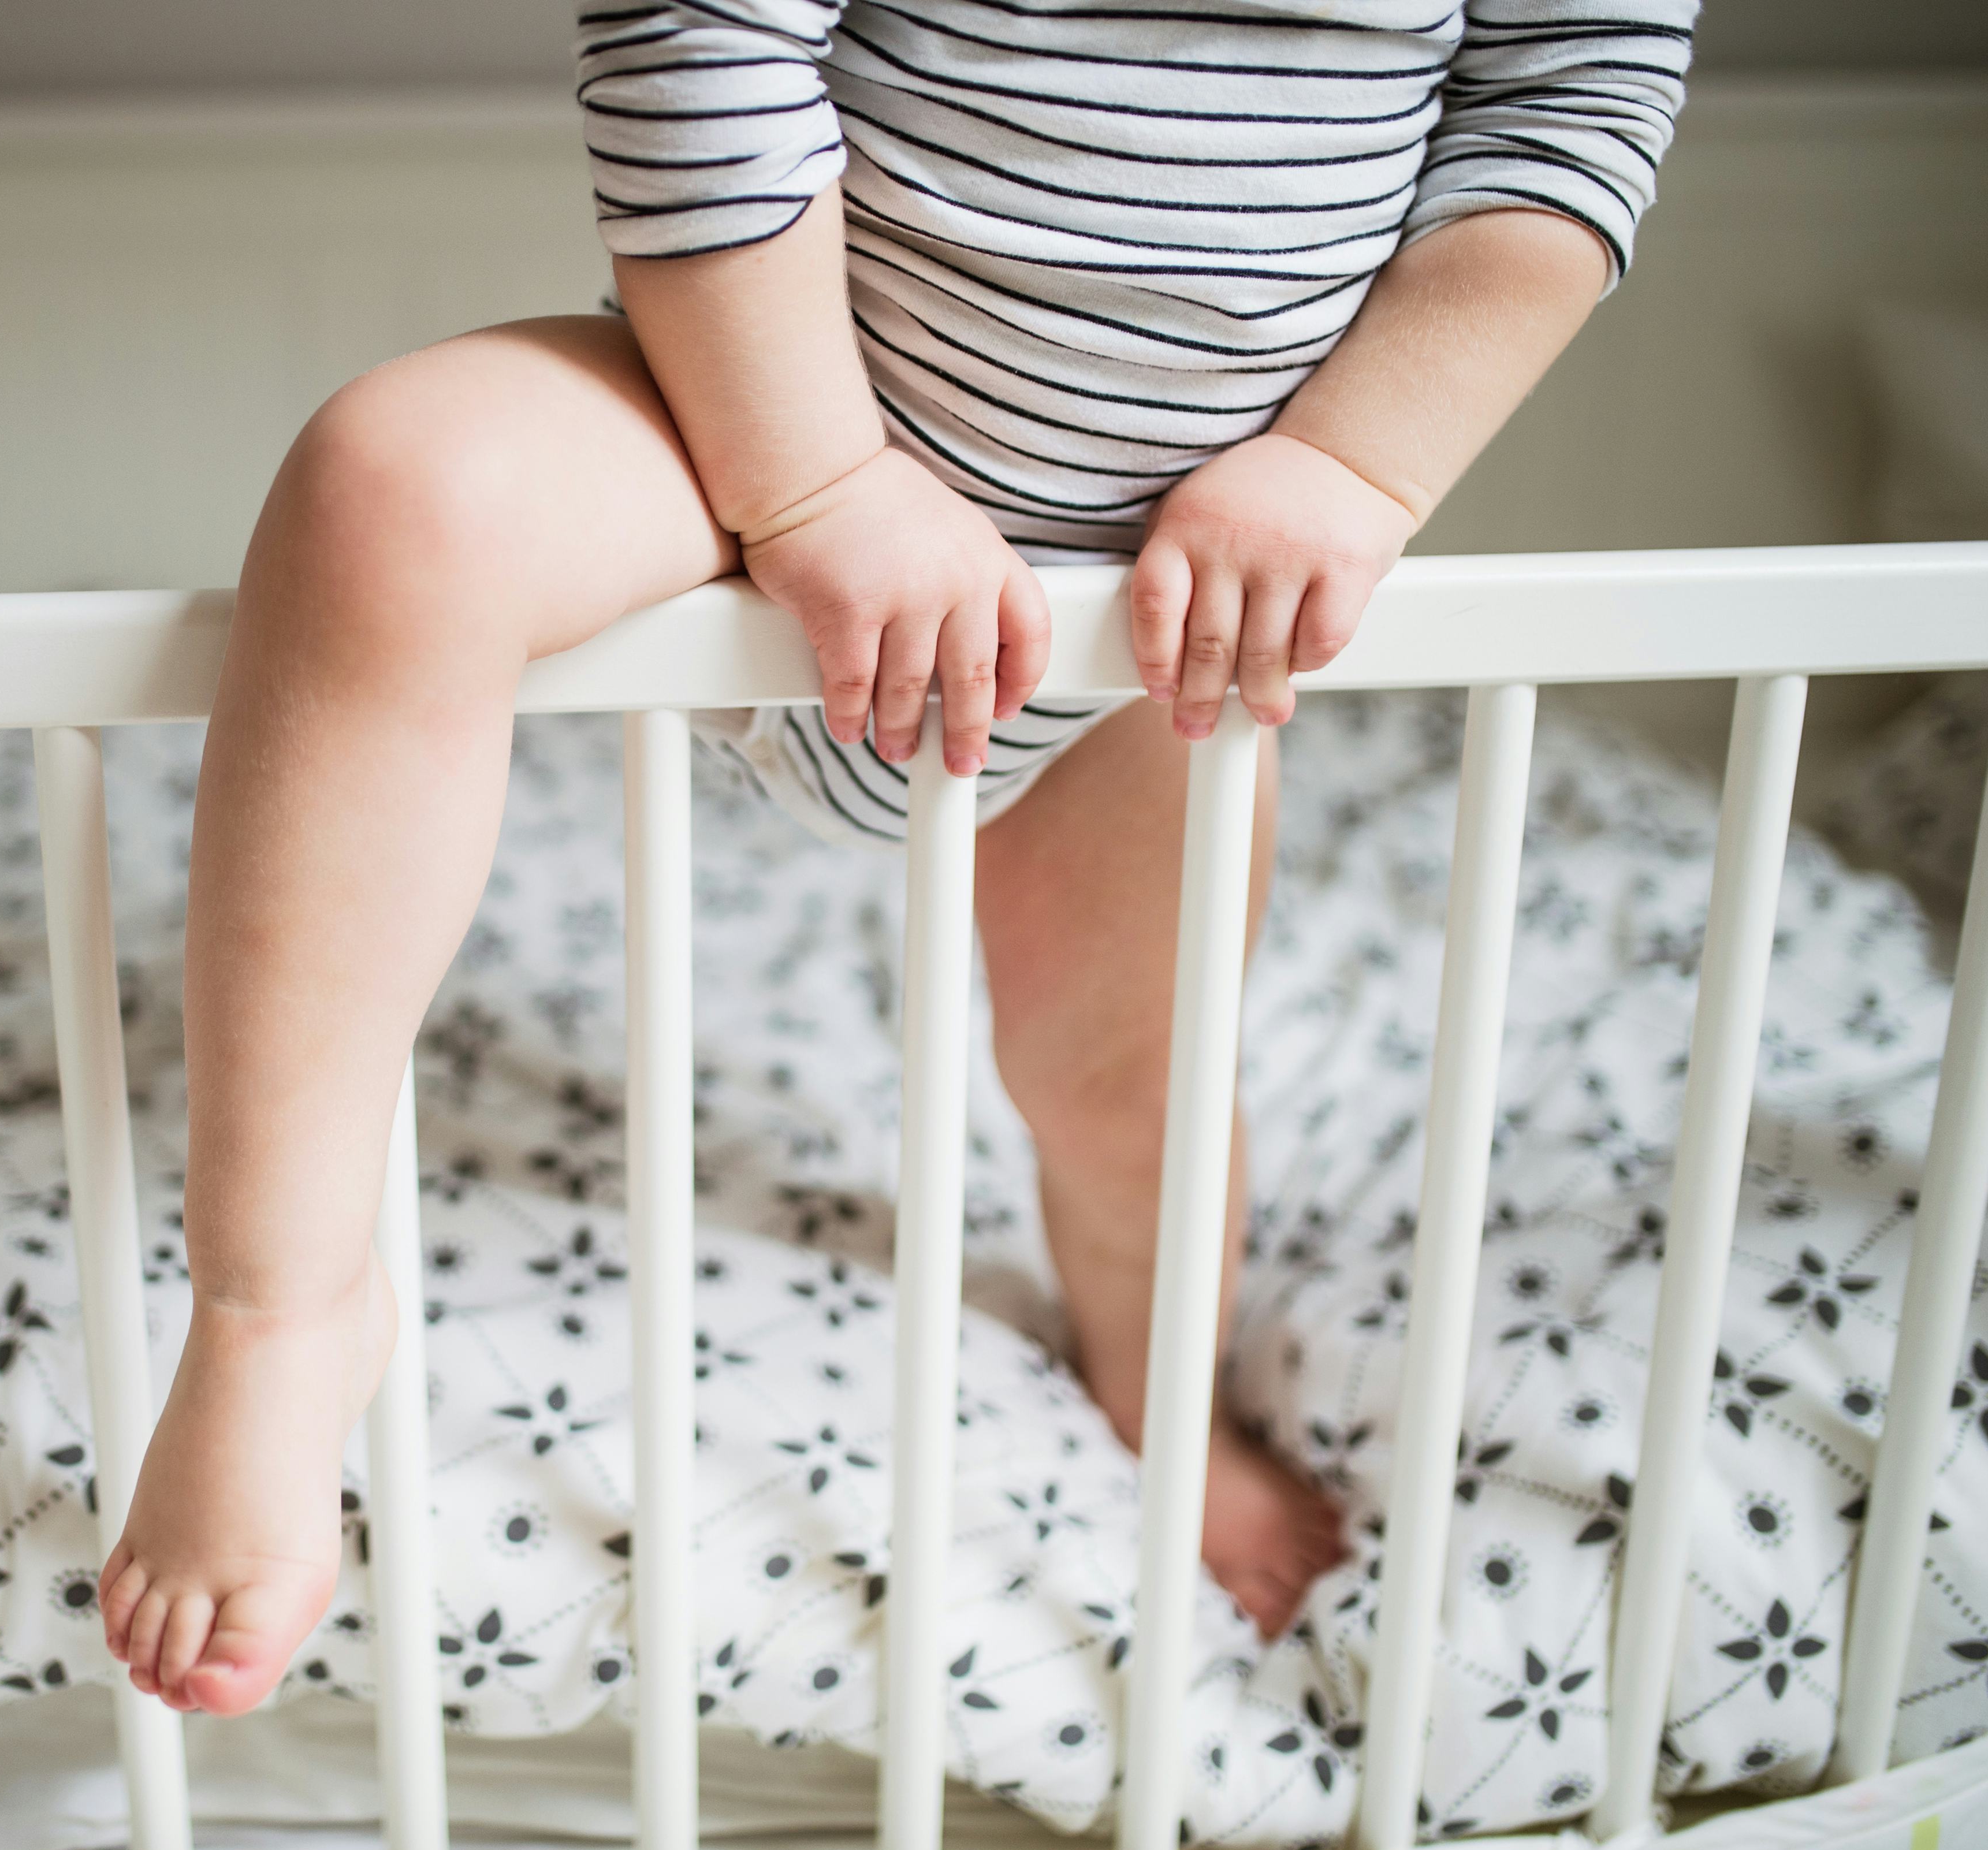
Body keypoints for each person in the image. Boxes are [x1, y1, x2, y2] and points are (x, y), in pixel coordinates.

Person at [100, 0, 1696, 1715]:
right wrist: (821, 485)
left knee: (1127, 1073)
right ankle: (281, 1309)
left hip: (1151, 582)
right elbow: (694, 39)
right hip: (749, 430)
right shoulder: (772, 452)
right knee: (391, 488)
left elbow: (1565, 105)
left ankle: (1170, 1395)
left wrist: (1348, 463)